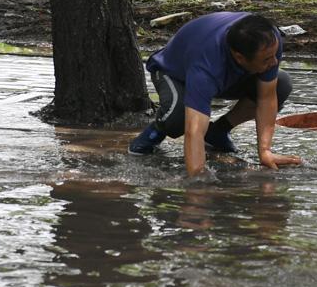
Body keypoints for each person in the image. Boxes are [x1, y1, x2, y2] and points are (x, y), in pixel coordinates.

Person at [128, 12, 302, 176]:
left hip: (227, 76)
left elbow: (266, 97)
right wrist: (198, 180)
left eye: (274, 55)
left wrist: (265, 152)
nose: (275, 61)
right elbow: (194, 131)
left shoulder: (268, 39)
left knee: (282, 84)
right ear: (240, 57)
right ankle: (155, 133)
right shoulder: (206, 65)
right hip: (173, 73)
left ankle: (218, 132)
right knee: (178, 117)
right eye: (266, 59)